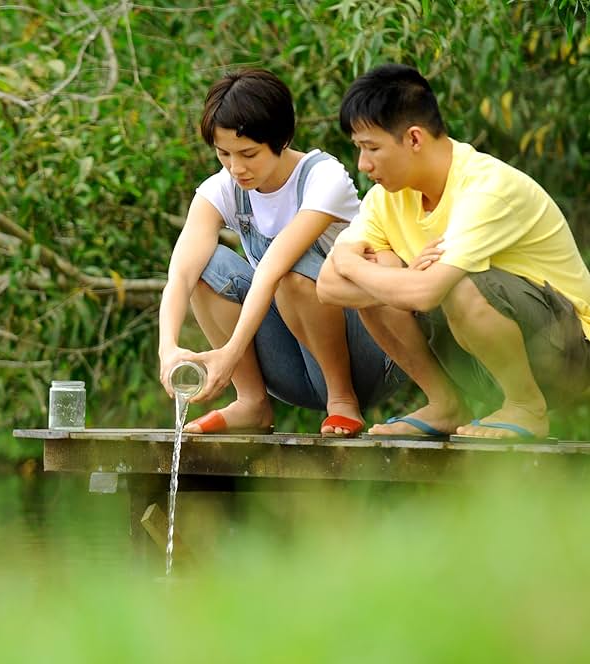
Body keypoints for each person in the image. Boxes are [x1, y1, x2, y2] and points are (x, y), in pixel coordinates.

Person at [318, 64, 590, 440]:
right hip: (477, 361)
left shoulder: (487, 187)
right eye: (359, 149)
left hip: (565, 354)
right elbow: (327, 287)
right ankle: (444, 403)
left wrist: (355, 265)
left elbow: (426, 293)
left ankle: (526, 407)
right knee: (380, 276)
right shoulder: (385, 199)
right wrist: (394, 276)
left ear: (414, 138)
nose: (363, 165)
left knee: (457, 283)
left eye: (372, 148)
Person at [158, 68, 402, 437]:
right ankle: (252, 402)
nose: (236, 168)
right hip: (295, 365)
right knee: (208, 267)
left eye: (248, 154)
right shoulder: (221, 189)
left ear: (283, 139)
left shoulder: (323, 178)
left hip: (371, 357)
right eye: (224, 154)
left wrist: (229, 353)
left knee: (292, 270)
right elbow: (180, 275)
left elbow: (273, 269)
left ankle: (342, 400)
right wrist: (168, 350)